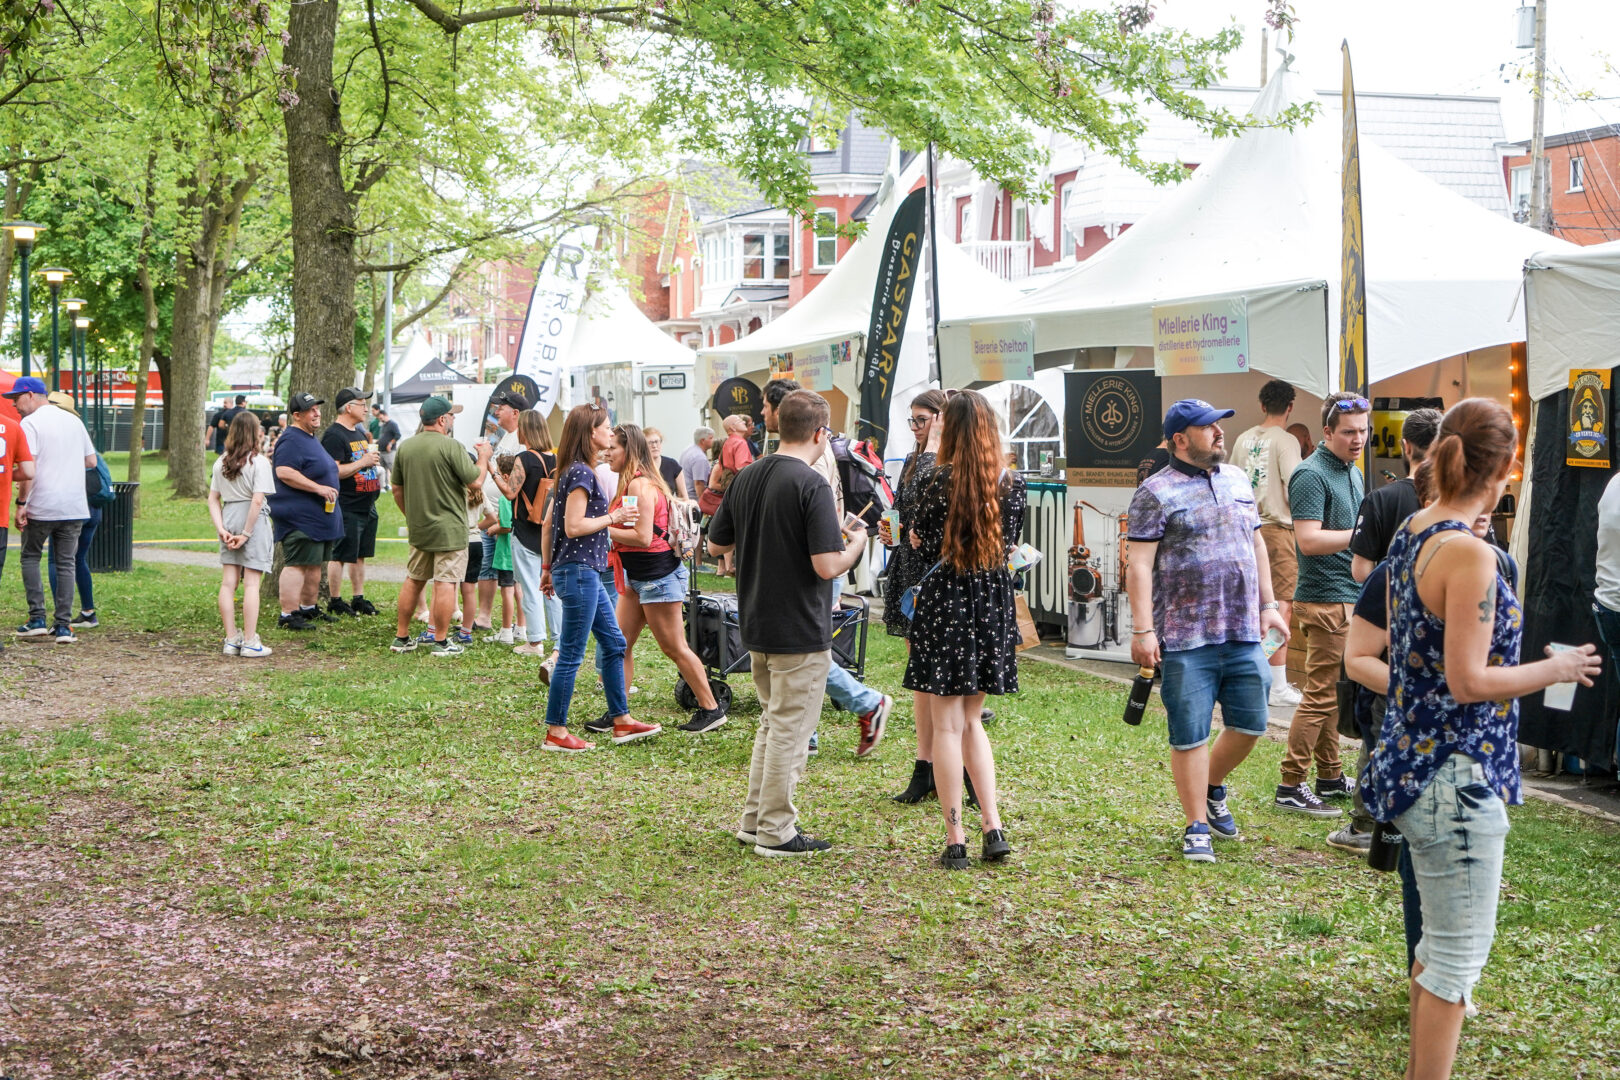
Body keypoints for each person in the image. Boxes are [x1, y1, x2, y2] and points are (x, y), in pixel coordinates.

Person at [1363, 398, 1600, 1080]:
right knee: (1457, 958)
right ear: (1509, 467)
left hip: (1417, 767)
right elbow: (1468, 681)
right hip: (1454, 778)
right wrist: (1553, 669)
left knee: (1438, 949)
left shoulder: (1417, 528)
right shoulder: (1469, 553)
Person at [1126, 399, 1291, 863]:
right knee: (1191, 733)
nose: (1219, 433)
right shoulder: (1154, 492)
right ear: (1180, 439)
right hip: (1184, 636)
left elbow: (1256, 543)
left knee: (1251, 723)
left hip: (1242, 630)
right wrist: (1143, 631)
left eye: (1219, 425)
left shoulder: (1238, 479)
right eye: (1207, 428)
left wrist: (1270, 606)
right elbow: (1138, 565)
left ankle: (1213, 786)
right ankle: (1196, 823)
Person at [707, 390, 867, 855]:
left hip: (755, 618)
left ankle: (755, 820)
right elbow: (826, 566)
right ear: (821, 433)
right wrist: (854, 545)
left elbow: (717, 546)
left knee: (773, 725)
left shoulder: (748, 475)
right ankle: (777, 831)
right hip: (798, 624)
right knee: (791, 732)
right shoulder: (812, 483)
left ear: (778, 424)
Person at [901, 390, 1023, 869]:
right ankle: (992, 825)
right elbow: (1010, 543)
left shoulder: (939, 480)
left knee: (947, 728)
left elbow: (920, 537)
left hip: (945, 601)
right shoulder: (1010, 482)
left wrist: (918, 535)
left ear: (946, 428)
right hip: (990, 604)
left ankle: (956, 838)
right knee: (973, 722)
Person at [762, 378, 893, 756]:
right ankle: (814, 731)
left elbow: (814, 522)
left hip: (809, 567)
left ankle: (865, 704)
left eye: (766, 407)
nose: (762, 414)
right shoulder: (802, 454)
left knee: (809, 652)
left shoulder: (811, 458)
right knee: (806, 652)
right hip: (804, 565)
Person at [538, 402, 661, 751]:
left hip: (578, 571)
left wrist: (548, 569)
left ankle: (621, 721)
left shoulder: (572, 471)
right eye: (606, 427)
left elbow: (550, 527)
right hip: (580, 573)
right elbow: (573, 527)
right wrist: (615, 516)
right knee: (572, 653)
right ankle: (556, 732)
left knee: (615, 643)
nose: (610, 432)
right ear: (591, 433)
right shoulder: (581, 473)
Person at [1274, 391, 1369, 819]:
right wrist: (1365, 537)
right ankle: (1290, 784)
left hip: (1346, 596)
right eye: (1349, 432)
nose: (1358, 439)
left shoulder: (1353, 470)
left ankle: (1329, 775)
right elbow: (1309, 541)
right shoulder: (1310, 474)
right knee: (1319, 696)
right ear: (1327, 432)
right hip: (1324, 599)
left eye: (1363, 431)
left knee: (1332, 692)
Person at [606, 423, 727, 732]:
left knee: (674, 648)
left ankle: (711, 709)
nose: (608, 452)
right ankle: (618, 713)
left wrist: (600, 528)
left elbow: (643, 536)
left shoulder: (639, 485)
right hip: (638, 577)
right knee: (621, 644)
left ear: (629, 450)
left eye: (613, 447)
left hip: (657, 576)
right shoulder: (631, 482)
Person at [390, 396, 490, 657]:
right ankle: (441, 641)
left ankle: (402, 637)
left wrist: (410, 516)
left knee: (414, 579)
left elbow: (397, 489)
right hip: (450, 529)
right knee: (445, 583)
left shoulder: (406, 447)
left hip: (420, 527)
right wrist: (484, 457)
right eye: (452, 415)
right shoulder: (451, 446)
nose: (453, 419)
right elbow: (476, 482)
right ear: (442, 419)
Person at [887, 389, 947, 801]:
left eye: (922, 419)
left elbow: (930, 498)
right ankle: (925, 763)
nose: (916, 427)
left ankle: (941, 766)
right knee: (920, 675)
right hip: (911, 569)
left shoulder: (941, 462)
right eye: (912, 420)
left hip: (939, 576)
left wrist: (934, 444)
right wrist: (889, 527)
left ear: (943, 419)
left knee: (939, 678)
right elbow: (900, 508)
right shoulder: (914, 459)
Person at [1230, 379, 1304, 707]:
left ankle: (1252, 674)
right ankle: (1275, 683)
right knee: (1280, 608)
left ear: (1262, 406)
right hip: (1277, 532)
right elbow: (1296, 487)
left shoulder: (1243, 439)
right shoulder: (1286, 440)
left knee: (1252, 606)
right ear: (1290, 407)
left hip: (1244, 530)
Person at [6, 377, 96, 644]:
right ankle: (64, 626)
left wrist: (22, 503)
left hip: (42, 504)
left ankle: (37, 619)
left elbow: (28, 469)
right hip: (73, 505)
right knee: (66, 562)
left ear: (32, 395)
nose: (15, 406)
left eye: (17, 399)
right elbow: (91, 461)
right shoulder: (73, 420)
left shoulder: (31, 423)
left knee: (30, 557)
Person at [268, 392, 346, 631]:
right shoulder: (291, 439)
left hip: (318, 518)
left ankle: (308, 609)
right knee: (298, 564)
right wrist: (318, 488)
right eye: (310, 410)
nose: (317, 413)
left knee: (313, 564)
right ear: (296, 415)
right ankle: (288, 615)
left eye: (317, 409)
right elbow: (284, 472)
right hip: (299, 518)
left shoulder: (309, 437)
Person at [495, 409, 564, 665]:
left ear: (525, 430)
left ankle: (534, 641)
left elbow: (511, 493)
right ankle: (559, 639)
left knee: (529, 588)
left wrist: (492, 473)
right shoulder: (557, 460)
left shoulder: (524, 458)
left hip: (524, 530)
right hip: (550, 531)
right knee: (552, 589)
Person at [1350, 408, 1444, 584]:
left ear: (1406, 446)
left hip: (1393, 605)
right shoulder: (1462, 496)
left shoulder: (1378, 499)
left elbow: (1361, 572)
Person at [208, 411, 275, 658]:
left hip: (229, 515)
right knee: (252, 584)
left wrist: (222, 529)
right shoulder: (259, 463)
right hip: (251, 520)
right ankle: (250, 640)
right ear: (255, 432)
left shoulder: (220, 462)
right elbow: (257, 501)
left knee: (228, 583)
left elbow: (213, 499)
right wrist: (247, 533)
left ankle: (231, 638)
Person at [321, 387, 384, 618]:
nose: (366, 408)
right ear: (349, 407)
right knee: (340, 554)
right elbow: (333, 471)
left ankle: (358, 598)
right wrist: (363, 462)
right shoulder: (334, 435)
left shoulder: (358, 432)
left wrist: (370, 464)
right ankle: (335, 600)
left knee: (360, 554)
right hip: (347, 504)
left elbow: (361, 462)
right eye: (362, 404)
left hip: (367, 504)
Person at [42, 392, 101, 631]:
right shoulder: (81, 435)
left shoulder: (52, 439)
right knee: (77, 560)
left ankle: (61, 619)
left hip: (69, 508)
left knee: (57, 561)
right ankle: (88, 611)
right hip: (93, 508)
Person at [701, 414, 755, 574]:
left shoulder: (728, 443)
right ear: (732, 427)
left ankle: (726, 567)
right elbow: (742, 468)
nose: (744, 423)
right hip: (742, 489)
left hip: (732, 491)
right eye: (739, 421)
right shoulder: (740, 442)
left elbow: (723, 466)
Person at [485, 455, 520, 645]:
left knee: (507, 591)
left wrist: (492, 529)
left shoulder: (506, 498)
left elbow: (506, 525)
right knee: (519, 590)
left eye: (497, 473)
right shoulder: (518, 496)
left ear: (506, 478)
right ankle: (521, 628)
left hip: (506, 553)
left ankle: (506, 631)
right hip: (517, 552)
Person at [643, 427, 689, 500]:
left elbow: (684, 496)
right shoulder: (639, 466)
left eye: (657, 441)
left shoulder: (672, 464)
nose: (654, 446)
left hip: (669, 509)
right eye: (650, 443)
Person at [680, 426, 714, 503]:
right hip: (694, 500)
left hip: (685, 496)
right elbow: (699, 484)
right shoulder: (700, 458)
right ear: (703, 440)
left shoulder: (688, 449)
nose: (713, 440)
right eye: (711, 438)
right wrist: (704, 503)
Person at [373, 404, 402, 477]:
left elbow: (398, 435)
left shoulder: (393, 424)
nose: (380, 419)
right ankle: (385, 485)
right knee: (382, 470)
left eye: (381, 417)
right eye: (379, 418)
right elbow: (383, 436)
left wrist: (390, 444)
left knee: (392, 469)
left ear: (385, 415)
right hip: (381, 451)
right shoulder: (383, 425)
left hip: (389, 451)